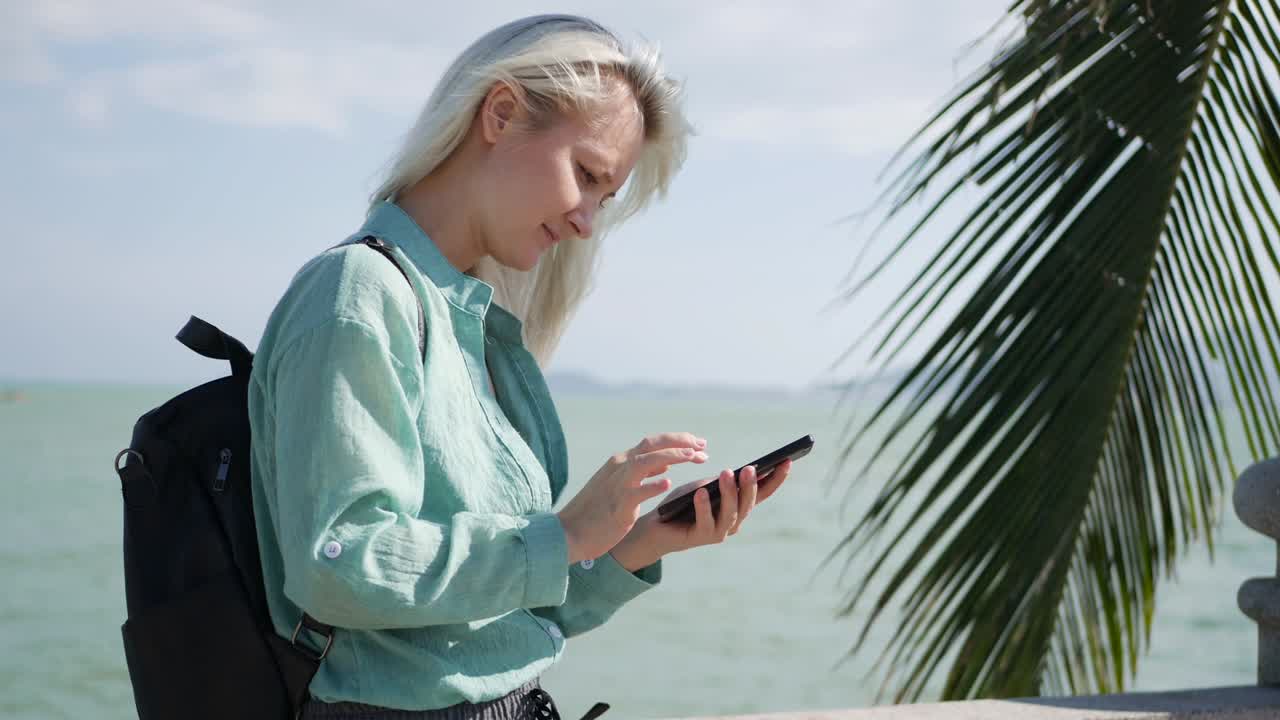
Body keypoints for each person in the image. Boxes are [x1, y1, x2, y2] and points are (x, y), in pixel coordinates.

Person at [247, 14, 793, 719]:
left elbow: (493, 629)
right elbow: (340, 567)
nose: (586, 221)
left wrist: (636, 541)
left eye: (606, 197)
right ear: (500, 114)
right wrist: (563, 536)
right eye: (587, 176)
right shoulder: (359, 293)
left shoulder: (470, 320)